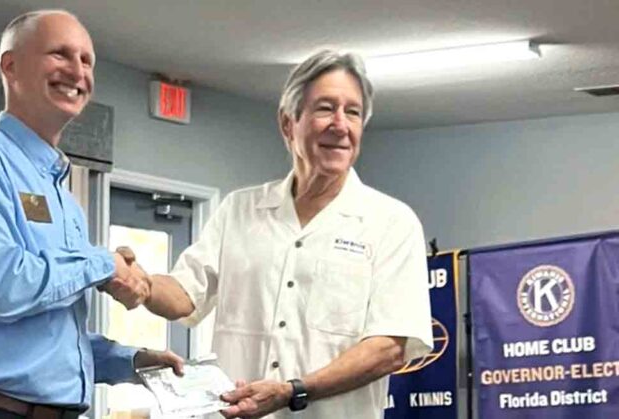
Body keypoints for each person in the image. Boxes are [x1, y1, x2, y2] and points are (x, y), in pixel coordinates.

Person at [115, 50, 434, 418]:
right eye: (325, 108)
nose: (340, 124)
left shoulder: (391, 223)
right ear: (288, 124)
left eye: (353, 112)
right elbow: (186, 294)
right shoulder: (239, 210)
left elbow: (388, 348)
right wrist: (143, 285)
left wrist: (293, 391)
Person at [0, 10, 182, 419]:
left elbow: (48, 338)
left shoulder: (64, 201)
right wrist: (101, 263)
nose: (77, 71)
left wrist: (132, 361)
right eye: (60, 54)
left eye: (87, 60)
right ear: (10, 65)